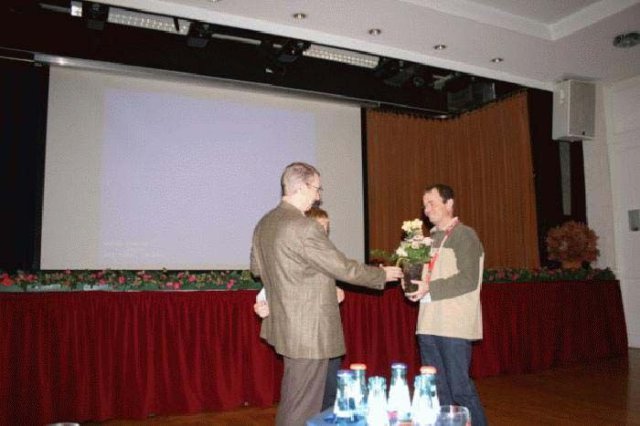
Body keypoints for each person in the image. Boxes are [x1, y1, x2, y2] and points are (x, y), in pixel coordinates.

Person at [250, 162, 402, 426]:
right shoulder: (303, 227)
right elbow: (342, 267)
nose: (319, 196)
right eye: (317, 189)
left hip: (285, 326)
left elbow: (256, 269)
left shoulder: (264, 224)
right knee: (302, 408)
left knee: (294, 399)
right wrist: (382, 275)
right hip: (309, 331)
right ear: (302, 187)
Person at [404, 184, 488, 426]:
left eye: (431, 203)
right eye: (424, 205)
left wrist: (429, 288)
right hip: (428, 324)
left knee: (460, 390)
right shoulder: (428, 240)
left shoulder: (465, 235)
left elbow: (468, 279)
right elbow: (422, 278)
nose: (426, 209)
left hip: (454, 326)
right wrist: (409, 284)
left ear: (449, 204)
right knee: (438, 391)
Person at [253, 206, 344, 411]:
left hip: (326, 332)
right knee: (304, 397)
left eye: (327, 227)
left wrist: (335, 291)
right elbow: (278, 284)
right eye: (320, 226)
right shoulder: (298, 249)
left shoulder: (325, 253)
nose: (324, 231)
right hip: (305, 337)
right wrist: (263, 302)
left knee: (330, 389)